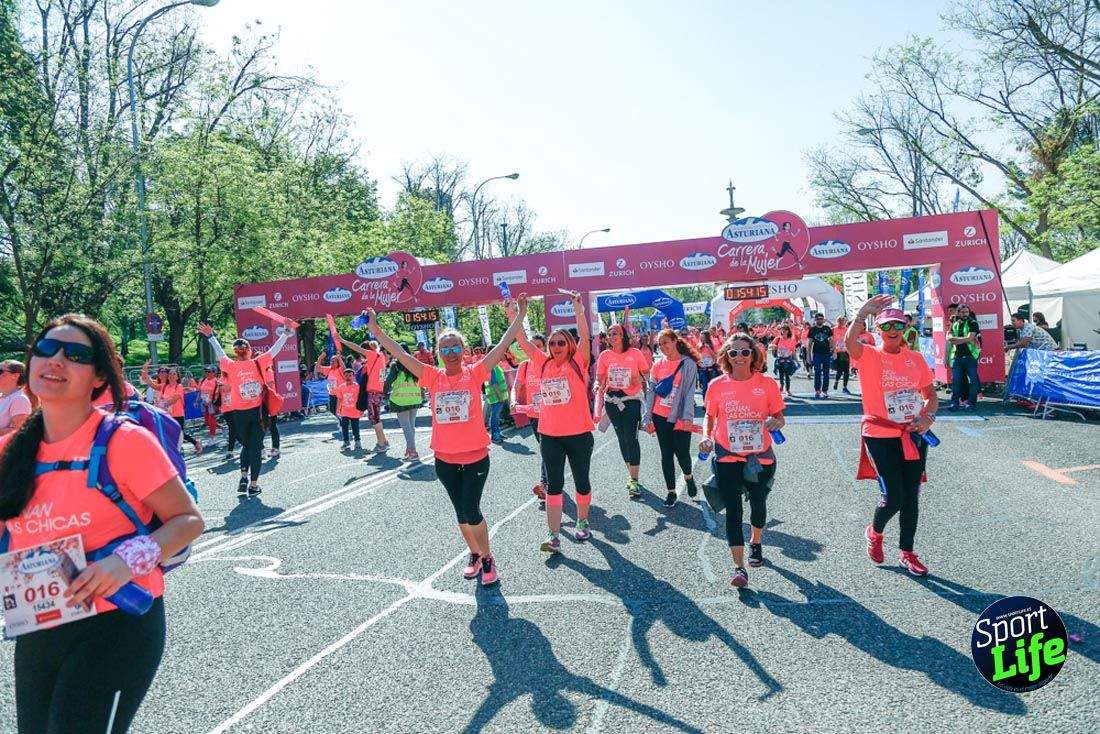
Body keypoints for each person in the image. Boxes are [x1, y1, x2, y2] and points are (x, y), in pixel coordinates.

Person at [0, 313, 204, 734]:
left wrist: (124, 562)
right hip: (39, 624)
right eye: (47, 349)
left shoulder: (124, 441)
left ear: (99, 377)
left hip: (116, 624)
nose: (57, 360)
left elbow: (187, 521)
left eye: (76, 354)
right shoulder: (10, 450)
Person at [363, 295, 528, 585]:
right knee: (461, 513)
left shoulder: (476, 372)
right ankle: (474, 553)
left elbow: (503, 343)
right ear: (439, 352)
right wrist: (375, 330)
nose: (451, 353)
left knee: (472, 509)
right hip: (445, 458)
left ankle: (488, 558)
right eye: (445, 348)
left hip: (475, 456)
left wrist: (520, 313)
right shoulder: (432, 376)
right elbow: (399, 352)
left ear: (464, 350)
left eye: (455, 347)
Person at [846, 297, 938, 577]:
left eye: (897, 325)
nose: (892, 330)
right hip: (879, 434)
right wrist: (862, 314)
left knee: (911, 497)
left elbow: (930, 395)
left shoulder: (915, 359)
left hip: (912, 434)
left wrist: (927, 417)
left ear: (905, 327)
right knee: (894, 496)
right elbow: (850, 343)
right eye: (886, 326)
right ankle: (874, 532)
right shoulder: (869, 355)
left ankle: (907, 552)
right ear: (878, 330)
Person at [698, 331, 785, 588]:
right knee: (734, 510)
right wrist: (706, 437)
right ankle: (739, 567)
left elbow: (779, 416)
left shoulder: (767, 384)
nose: (739, 356)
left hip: (759, 457)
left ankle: (756, 542)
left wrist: (776, 422)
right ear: (726, 356)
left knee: (758, 503)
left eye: (745, 352)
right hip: (728, 455)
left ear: (753, 355)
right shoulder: (716, 385)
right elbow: (710, 417)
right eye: (733, 352)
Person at [511, 292, 597, 551]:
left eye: (561, 343)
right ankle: (553, 535)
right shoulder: (543, 363)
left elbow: (585, 336)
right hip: (550, 435)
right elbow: (522, 341)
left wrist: (578, 310)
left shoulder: (578, 362)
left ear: (569, 345)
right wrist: (515, 313)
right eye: (553, 343)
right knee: (554, 485)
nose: (556, 347)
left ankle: (582, 522)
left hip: (579, 434)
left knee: (581, 481)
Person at [197, 324, 290, 497]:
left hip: (238, 413)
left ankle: (243, 476)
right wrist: (285, 333)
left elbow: (220, 352)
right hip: (257, 413)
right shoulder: (258, 362)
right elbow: (274, 350)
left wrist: (210, 336)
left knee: (247, 446)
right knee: (255, 448)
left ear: (235, 352)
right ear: (249, 350)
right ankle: (253, 485)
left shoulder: (230, 365)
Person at [643, 329, 701, 507]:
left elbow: (690, 393)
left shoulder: (688, 364)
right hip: (660, 416)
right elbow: (651, 392)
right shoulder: (657, 364)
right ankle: (671, 491)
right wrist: (647, 416)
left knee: (682, 453)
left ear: (675, 341)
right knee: (666, 454)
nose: (662, 347)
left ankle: (688, 477)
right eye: (660, 344)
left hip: (680, 416)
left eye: (666, 342)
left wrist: (687, 418)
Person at [596, 322, 651, 499]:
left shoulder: (635, 353)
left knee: (631, 438)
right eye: (609, 334)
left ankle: (634, 480)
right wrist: (597, 385)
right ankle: (631, 474)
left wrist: (639, 379)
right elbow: (600, 378)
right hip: (612, 401)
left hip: (631, 400)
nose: (611, 337)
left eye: (615, 333)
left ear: (622, 336)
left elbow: (647, 373)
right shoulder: (605, 355)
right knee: (621, 438)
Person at [140, 363, 203, 455]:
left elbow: (174, 399)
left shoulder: (179, 386)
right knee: (167, 433)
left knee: (180, 434)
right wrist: (145, 368)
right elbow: (148, 381)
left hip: (178, 414)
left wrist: (163, 404)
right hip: (167, 414)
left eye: (174, 374)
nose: (172, 375)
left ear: (177, 377)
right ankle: (173, 450)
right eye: (170, 374)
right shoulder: (163, 386)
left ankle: (196, 443)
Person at [341, 339, 389, 452]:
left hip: (373, 391)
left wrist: (342, 340)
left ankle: (381, 444)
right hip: (378, 391)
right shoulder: (381, 357)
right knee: (376, 417)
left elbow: (355, 347)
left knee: (375, 419)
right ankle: (383, 441)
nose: (362, 355)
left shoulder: (372, 355)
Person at [382, 358, 423, 461]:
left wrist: (384, 393)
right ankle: (410, 449)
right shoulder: (413, 363)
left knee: (406, 427)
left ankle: (413, 452)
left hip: (401, 400)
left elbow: (388, 381)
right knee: (411, 426)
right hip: (415, 397)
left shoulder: (396, 366)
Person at [946, 304, 981, 411]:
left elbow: (970, 338)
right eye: (963, 312)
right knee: (956, 381)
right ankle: (954, 403)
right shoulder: (955, 323)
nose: (965, 314)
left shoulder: (972, 322)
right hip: (957, 357)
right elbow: (949, 337)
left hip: (970, 356)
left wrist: (956, 340)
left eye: (967, 312)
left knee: (972, 381)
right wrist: (961, 339)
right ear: (958, 313)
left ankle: (971, 404)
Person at [333, 367, 363, 451]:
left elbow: (360, 398)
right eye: (346, 376)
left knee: (355, 427)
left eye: (350, 375)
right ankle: (346, 441)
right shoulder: (341, 387)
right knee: (344, 426)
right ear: (344, 376)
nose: (348, 377)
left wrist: (362, 409)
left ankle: (357, 441)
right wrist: (337, 409)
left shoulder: (357, 386)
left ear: (353, 376)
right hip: (345, 411)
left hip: (355, 410)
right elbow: (339, 399)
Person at [0, 359, 32, 438]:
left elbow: (19, 431)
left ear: (15, 376)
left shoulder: (19, 399)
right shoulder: (2, 396)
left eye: (0, 371)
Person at [807, 313, 833, 399]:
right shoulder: (812, 330)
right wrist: (808, 356)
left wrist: (834, 351)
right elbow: (809, 344)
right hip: (817, 354)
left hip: (826, 353)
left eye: (821, 318)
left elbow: (831, 340)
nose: (820, 320)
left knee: (826, 373)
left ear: (823, 319)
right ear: (815, 320)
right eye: (818, 319)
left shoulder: (827, 329)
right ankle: (817, 390)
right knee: (817, 372)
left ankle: (825, 391)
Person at [483, 361, 509, 443]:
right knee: (495, 416)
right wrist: (500, 397)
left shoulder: (495, 366)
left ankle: (497, 433)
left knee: (496, 416)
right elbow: (494, 384)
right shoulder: (492, 367)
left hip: (496, 396)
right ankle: (495, 436)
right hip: (496, 397)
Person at [771, 325, 798, 396]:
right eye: (783, 330)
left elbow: (793, 351)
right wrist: (774, 347)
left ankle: (788, 390)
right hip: (780, 359)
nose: (784, 331)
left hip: (788, 359)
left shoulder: (791, 340)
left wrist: (797, 361)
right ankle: (781, 386)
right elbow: (771, 346)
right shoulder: (778, 338)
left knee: (787, 375)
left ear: (788, 331)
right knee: (781, 374)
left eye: (786, 330)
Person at [832, 316, 852, 394]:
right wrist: (833, 351)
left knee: (846, 370)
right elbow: (831, 340)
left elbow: (849, 340)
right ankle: (836, 380)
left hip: (845, 352)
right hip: (837, 352)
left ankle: (844, 387)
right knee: (840, 370)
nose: (841, 322)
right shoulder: (833, 329)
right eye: (840, 320)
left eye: (843, 320)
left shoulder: (847, 330)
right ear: (837, 321)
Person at [697, 330, 719, 399]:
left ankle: (712, 400)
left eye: (703, 337)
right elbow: (697, 356)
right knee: (705, 386)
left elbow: (715, 356)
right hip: (702, 368)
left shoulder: (712, 345)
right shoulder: (699, 345)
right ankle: (705, 401)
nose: (701, 339)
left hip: (711, 368)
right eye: (701, 337)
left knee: (712, 385)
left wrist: (708, 347)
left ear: (707, 337)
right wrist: (699, 363)